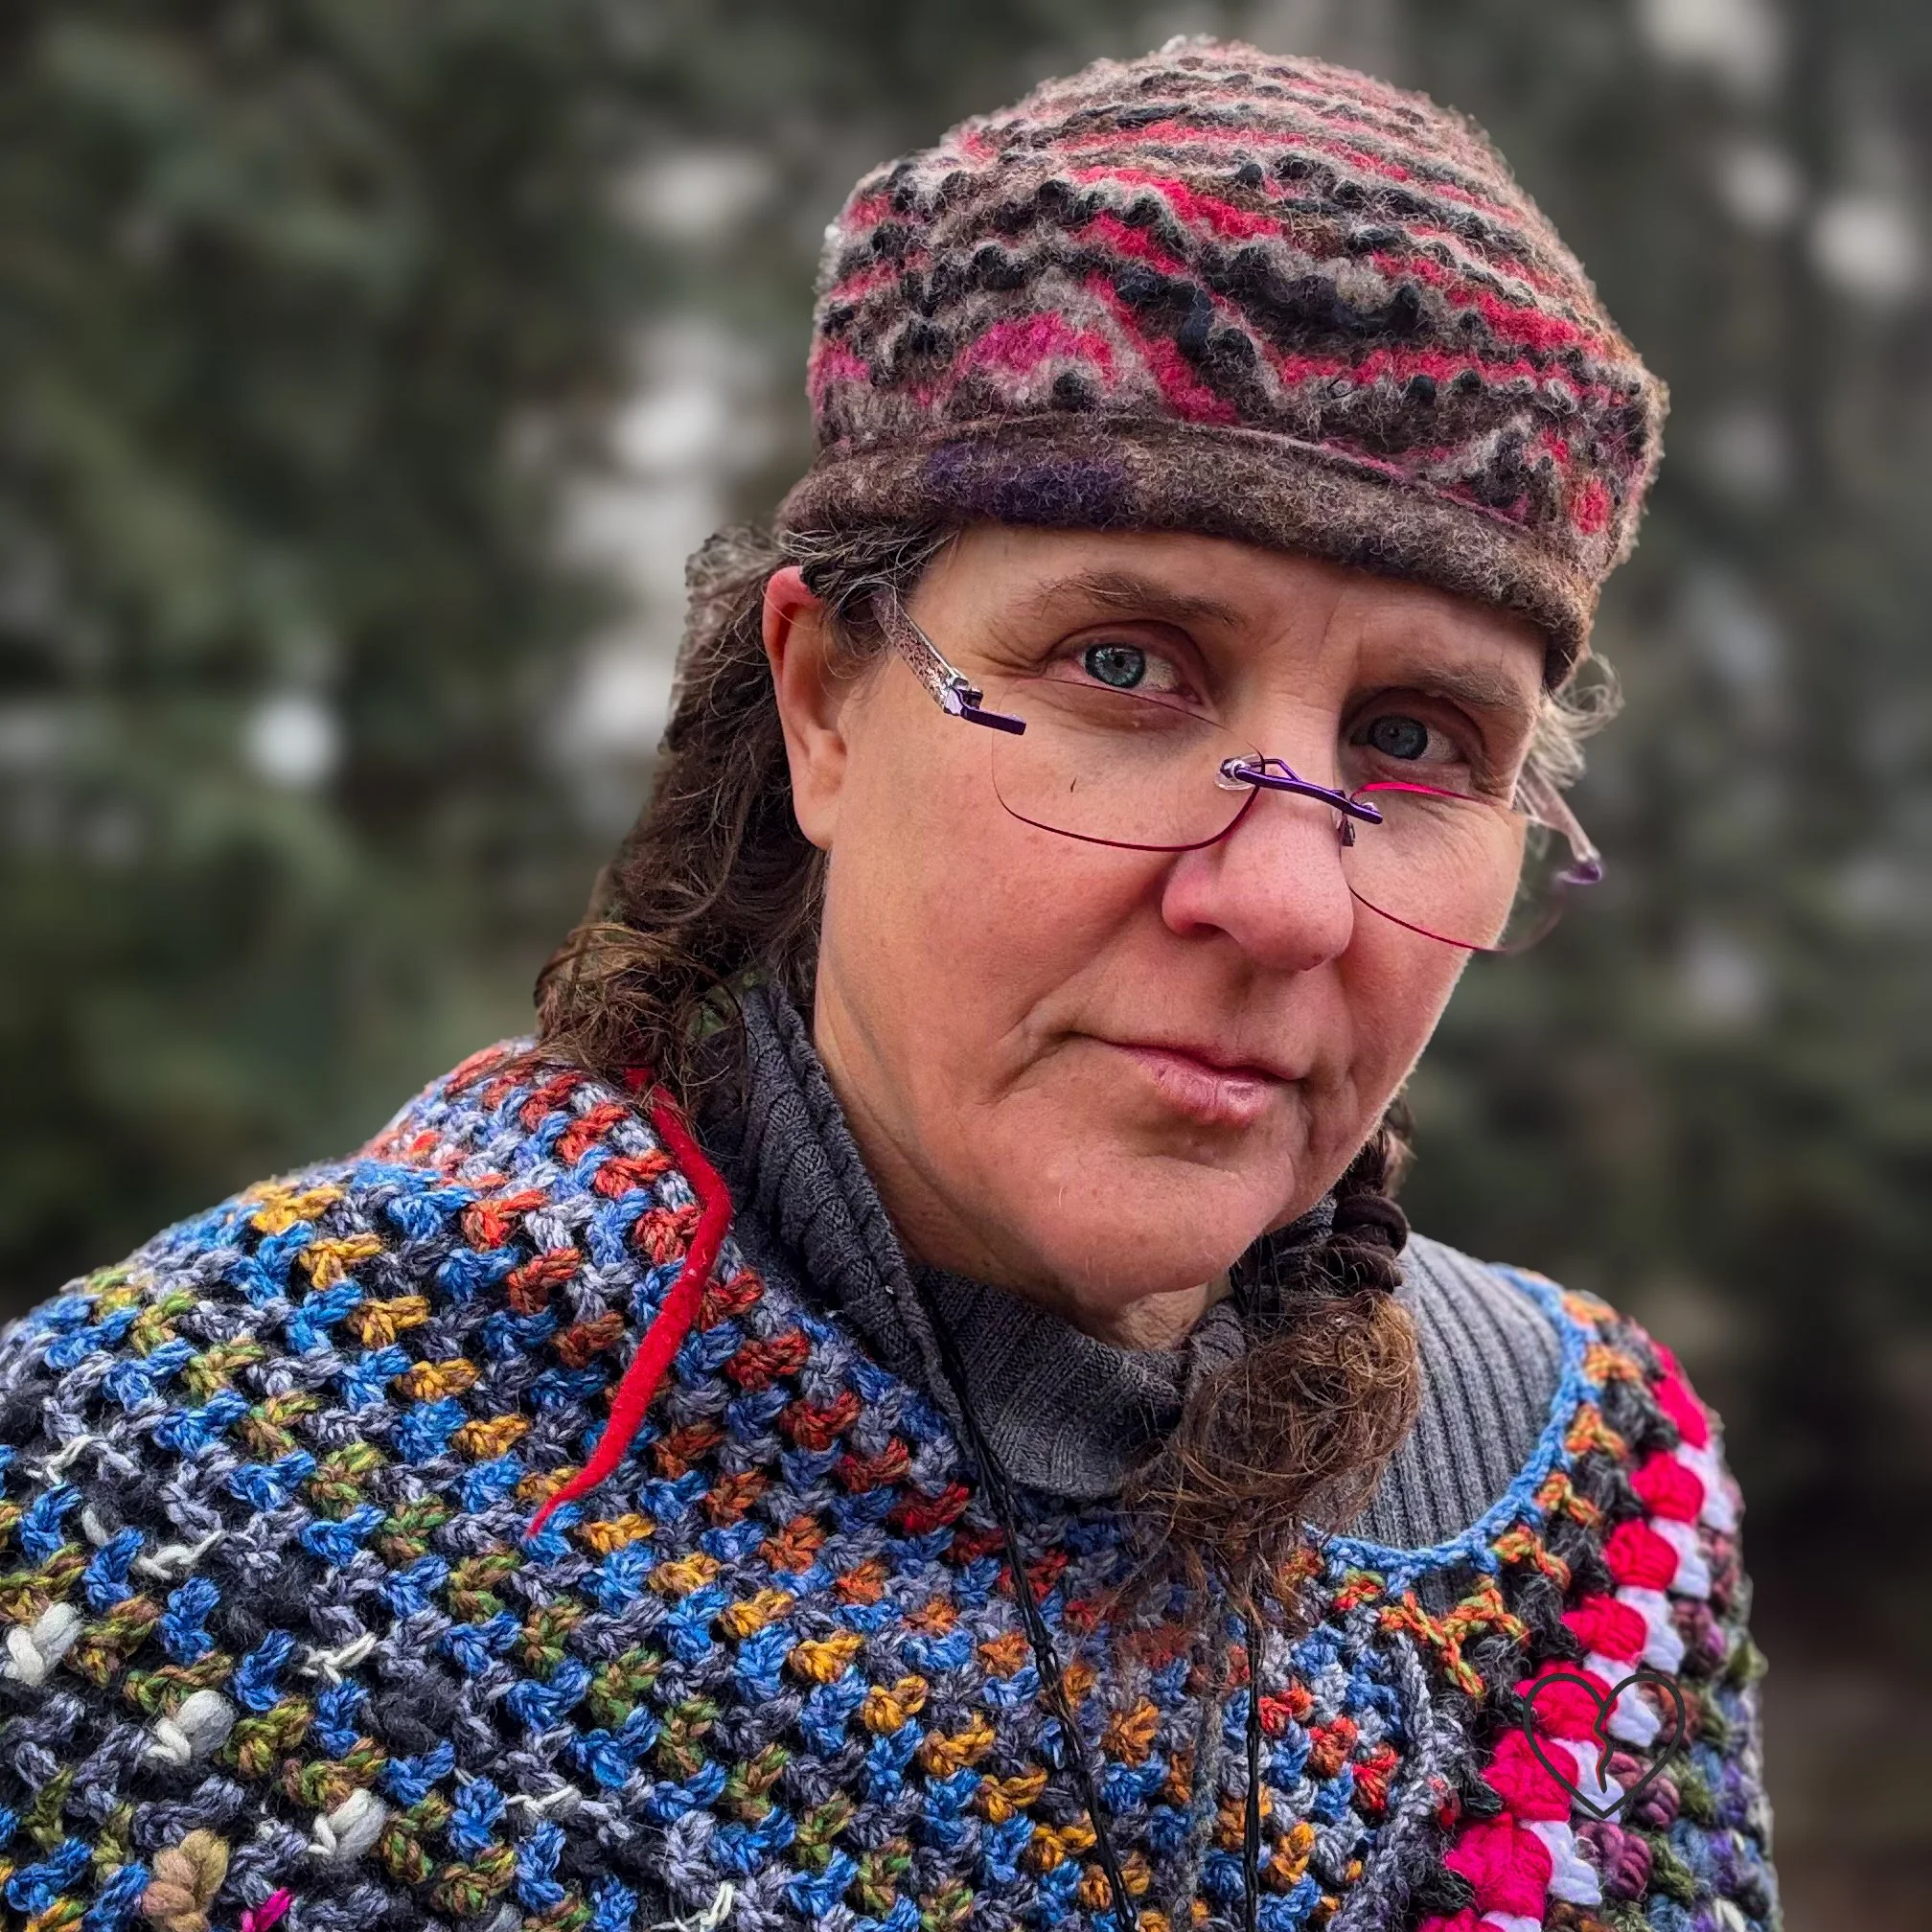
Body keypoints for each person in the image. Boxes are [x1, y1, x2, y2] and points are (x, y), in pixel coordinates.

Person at [0, 37, 1778, 1932]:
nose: (1285, 902)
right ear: (824, 701)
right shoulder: (180, 1495)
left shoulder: (1573, 1533)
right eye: (1124, 665)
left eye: (1418, 738)